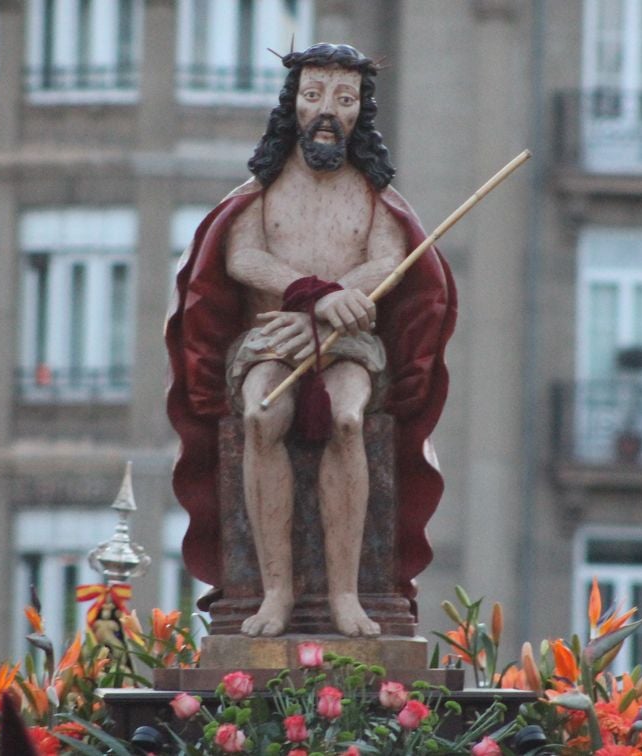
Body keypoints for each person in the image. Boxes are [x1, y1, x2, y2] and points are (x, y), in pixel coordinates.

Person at [166, 43, 456, 637]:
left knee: (349, 419)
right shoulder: (262, 190)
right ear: (293, 103)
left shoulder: (375, 196)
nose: (328, 110)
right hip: (270, 336)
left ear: (360, 112)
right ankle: (275, 592)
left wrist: (330, 312)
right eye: (315, 95)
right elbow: (241, 256)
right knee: (264, 412)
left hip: (349, 341)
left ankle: (347, 594)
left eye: (344, 99)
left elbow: (390, 263)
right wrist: (311, 296)